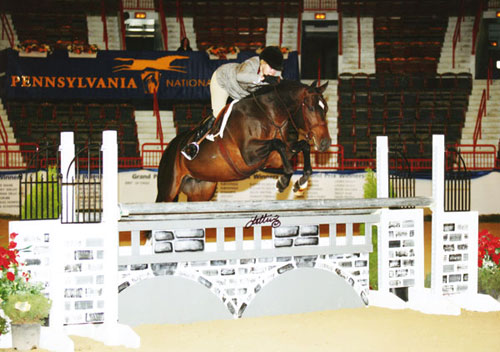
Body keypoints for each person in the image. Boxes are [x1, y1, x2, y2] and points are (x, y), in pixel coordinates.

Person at [181, 46, 284, 160]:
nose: (273, 72)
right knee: (217, 114)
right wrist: (261, 79)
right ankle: (194, 144)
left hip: (241, 94)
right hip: (223, 82)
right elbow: (240, 77)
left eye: (275, 69)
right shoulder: (252, 63)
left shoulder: (275, 73)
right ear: (263, 62)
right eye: (271, 68)